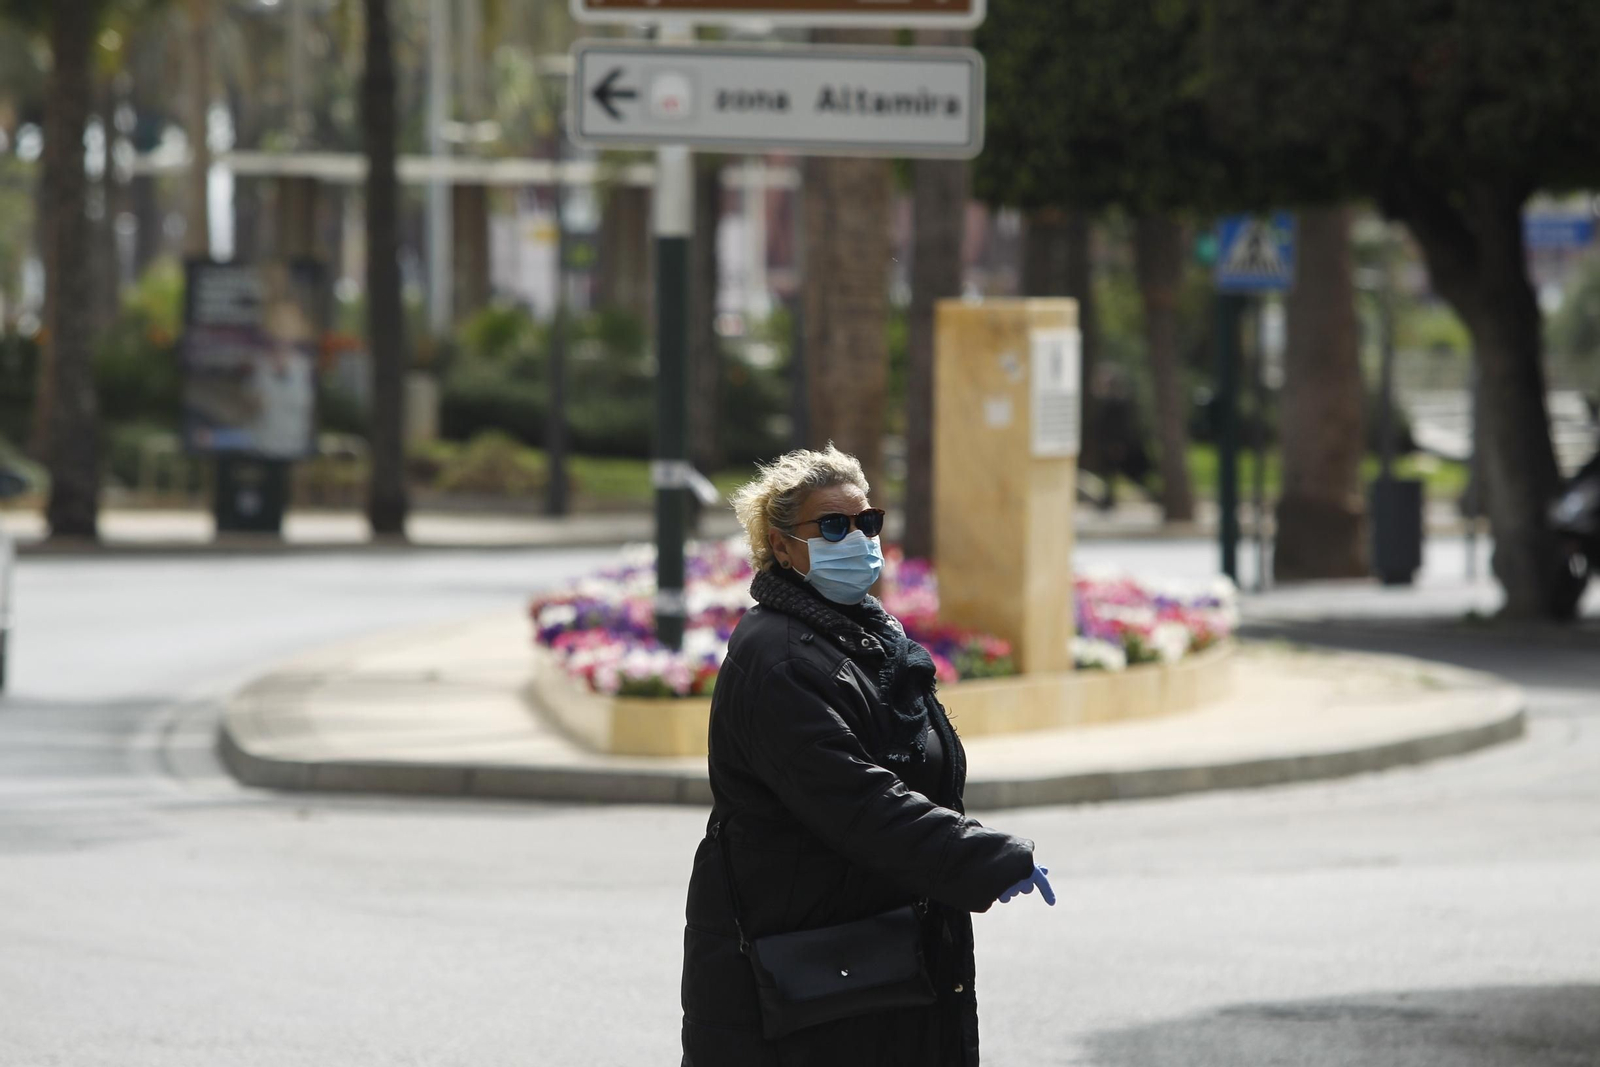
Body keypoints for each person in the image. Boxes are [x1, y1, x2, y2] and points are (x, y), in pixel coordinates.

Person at [680, 446, 1054, 1067]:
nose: (856, 538)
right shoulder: (781, 660)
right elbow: (854, 799)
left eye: (866, 522)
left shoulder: (865, 637)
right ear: (782, 545)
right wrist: (980, 857)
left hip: (869, 959)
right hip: (806, 977)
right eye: (832, 526)